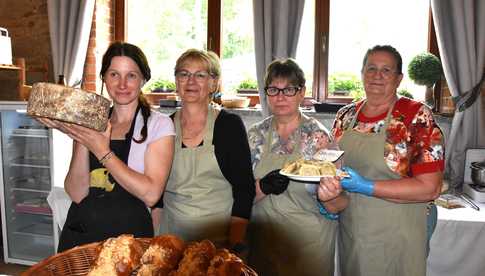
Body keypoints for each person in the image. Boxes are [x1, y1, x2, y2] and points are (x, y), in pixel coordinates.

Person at [39, 42, 175, 252]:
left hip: (128, 241)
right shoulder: (91, 121)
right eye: (114, 74)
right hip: (81, 236)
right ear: (104, 77)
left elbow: (150, 194)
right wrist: (85, 136)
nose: (122, 84)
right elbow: (77, 193)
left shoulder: (159, 125)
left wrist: (102, 150)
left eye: (131, 75)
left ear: (143, 79)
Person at [323, 45, 445, 276]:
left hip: (398, 234)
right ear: (362, 74)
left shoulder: (415, 116)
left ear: (398, 79)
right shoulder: (345, 116)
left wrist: (365, 186)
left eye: (386, 70)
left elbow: (430, 188)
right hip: (353, 232)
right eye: (371, 68)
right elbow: (333, 169)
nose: (377, 75)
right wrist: (328, 199)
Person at [247, 58, 348, 276]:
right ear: (266, 93)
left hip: (308, 250)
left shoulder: (319, 137)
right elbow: (238, 196)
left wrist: (329, 196)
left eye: (289, 89)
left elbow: (339, 205)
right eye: (273, 89)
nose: (280, 96)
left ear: (302, 93)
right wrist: (262, 187)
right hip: (263, 246)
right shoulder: (255, 135)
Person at [155, 49, 255, 252]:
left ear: (213, 83)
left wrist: (233, 246)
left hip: (218, 242)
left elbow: (244, 190)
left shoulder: (228, 126)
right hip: (171, 239)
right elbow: (156, 196)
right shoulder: (163, 127)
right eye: (184, 74)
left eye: (200, 75)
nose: (190, 81)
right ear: (176, 81)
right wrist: (157, 240)